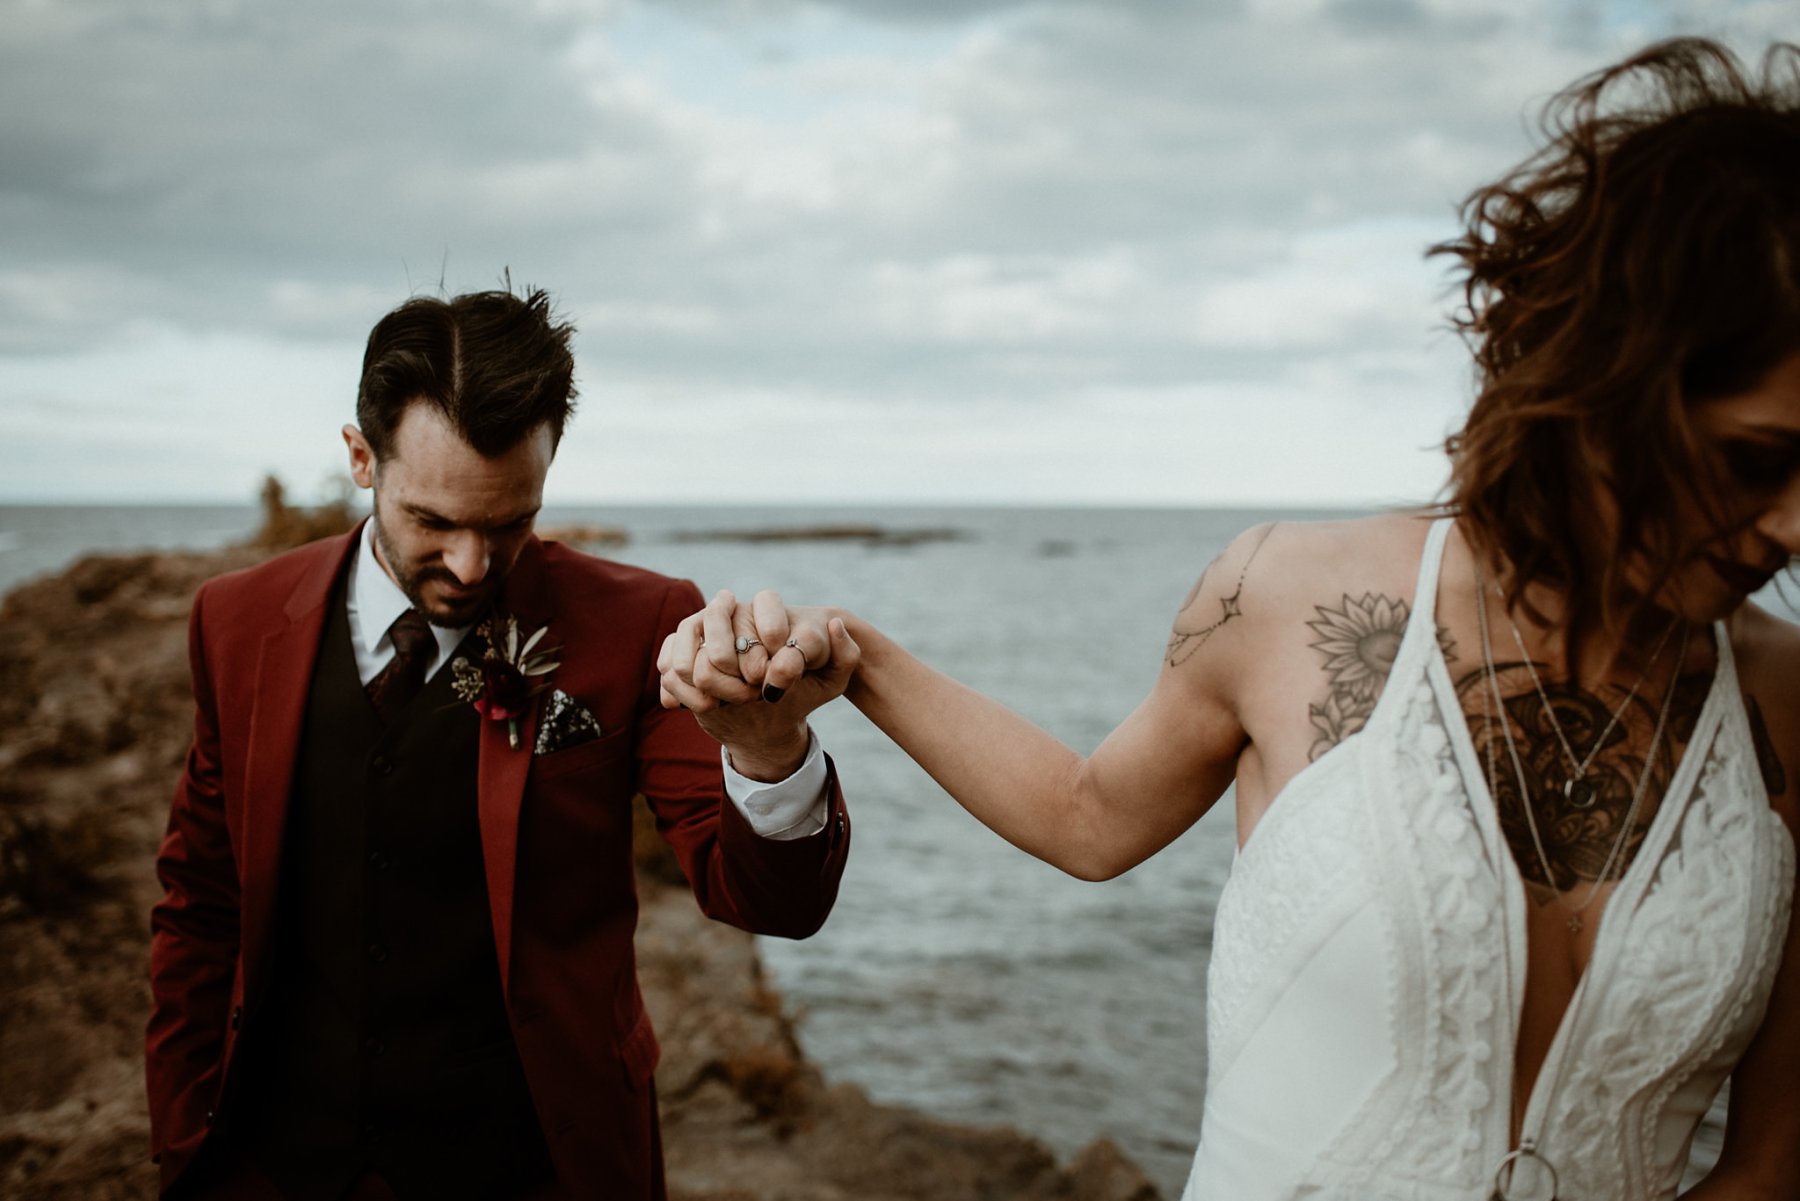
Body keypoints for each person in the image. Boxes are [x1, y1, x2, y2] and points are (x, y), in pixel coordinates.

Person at [661, 39, 1800, 1200]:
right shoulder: (1285, 592)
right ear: (1612, 375)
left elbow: (1770, 1161)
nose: (1794, 524)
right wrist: (855, 660)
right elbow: (1089, 819)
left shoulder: (1785, 695)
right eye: (1760, 459)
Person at [146, 286, 851, 1201]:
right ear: (362, 458)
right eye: (433, 522)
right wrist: (183, 1141)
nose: (473, 566)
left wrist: (768, 750)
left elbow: (766, 900)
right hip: (272, 1166)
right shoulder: (235, 620)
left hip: (534, 1164)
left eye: (509, 521)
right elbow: (200, 904)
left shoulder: (641, 622)